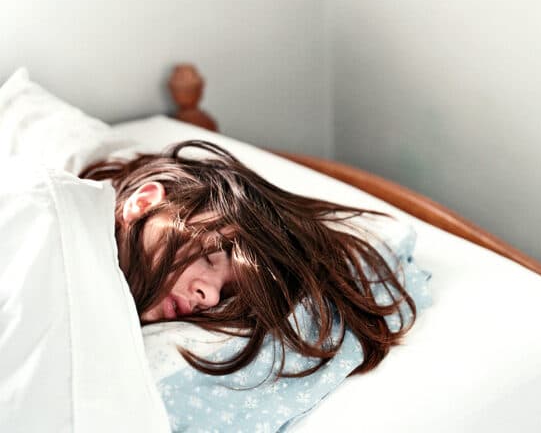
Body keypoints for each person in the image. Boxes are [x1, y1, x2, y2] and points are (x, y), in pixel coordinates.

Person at [79, 140, 416, 378]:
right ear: (143, 203)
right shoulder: (57, 223)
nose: (209, 297)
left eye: (224, 293)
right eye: (209, 257)